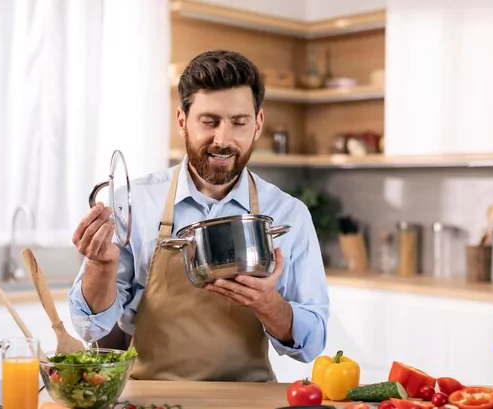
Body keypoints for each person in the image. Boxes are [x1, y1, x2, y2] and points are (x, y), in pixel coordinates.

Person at [68, 49, 330, 382]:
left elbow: (313, 343)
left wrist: (269, 304)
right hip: (152, 400)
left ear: (258, 124)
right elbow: (91, 326)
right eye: (209, 122)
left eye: (239, 122)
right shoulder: (136, 203)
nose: (223, 140)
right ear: (182, 121)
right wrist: (99, 266)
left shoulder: (288, 212)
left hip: (247, 401)